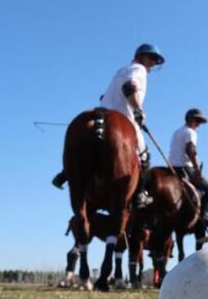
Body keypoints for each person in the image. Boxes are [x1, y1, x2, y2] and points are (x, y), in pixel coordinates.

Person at [53, 43, 165, 208]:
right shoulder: (139, 69)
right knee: (145, 155)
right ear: (141, 57)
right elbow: (129, 87)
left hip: (101, 111)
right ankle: (140, 194)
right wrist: (138, 110)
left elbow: (106, 95)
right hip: (124, 116)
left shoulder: (121, 70)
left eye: (155, 61)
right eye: (151, 59)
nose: (152, 64)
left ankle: (65, 173)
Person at [168, 108, 208, 230]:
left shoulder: (177, 132)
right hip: (185, 168)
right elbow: (190, 150)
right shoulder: (191, 132)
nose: (199, 124)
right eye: (197, 120)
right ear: (190, 119)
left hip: (172, 167)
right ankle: (204, 217)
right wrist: (196, 168)